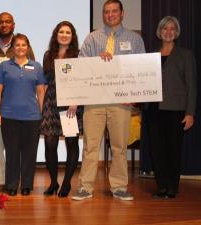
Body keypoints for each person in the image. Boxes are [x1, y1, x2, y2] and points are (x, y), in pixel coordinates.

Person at [72, 0, 145, 201]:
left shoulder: (134, 39)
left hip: (121, 101)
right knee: (90, 145)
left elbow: (141, 68)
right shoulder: (92, 38)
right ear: (103, 15)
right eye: (106, 12)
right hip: (94, 100)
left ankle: (119, 187)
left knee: (119, 146)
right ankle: (85, 187)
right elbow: (81, 66)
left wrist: (135, 96)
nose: (110, 14)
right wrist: (97, 61)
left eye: (114, 11)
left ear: (122, 13)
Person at [0, 12, 35, 190]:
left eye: (7, 22)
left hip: (17, 106)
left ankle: (20, 182)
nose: (4, 24)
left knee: (17, 148)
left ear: (13, 24)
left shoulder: (22, 45)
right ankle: (0, 181)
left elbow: (31, 72)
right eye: (1, 22)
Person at [144, 16, 197, 199]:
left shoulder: (185, 54)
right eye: (165, 28)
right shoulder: (151, 54)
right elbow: (142, 82)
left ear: (177, 32)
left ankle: (172, 187)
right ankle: (162, 187)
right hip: (153, 109)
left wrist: (190, 113)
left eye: (172, 29)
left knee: (173, 150)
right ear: (159, 31)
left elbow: (192, 85)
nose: (168, 32)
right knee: (157, 150)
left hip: (176, 110)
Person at [0, 33, 46, 196]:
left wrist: (42, 112)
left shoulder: (36, 66)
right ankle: (11, 185)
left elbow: (40, 91)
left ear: (28, 47)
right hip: (9, 115)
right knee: (12, 152)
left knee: (30, 153)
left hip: (32, 116)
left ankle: (26, 185)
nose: (21, 48)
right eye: (17, 45)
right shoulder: (4, 66)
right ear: (12, 48)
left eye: (24, 45)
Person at [41, 21, 82, 198]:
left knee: (72, 143)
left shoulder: (79, 55)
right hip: (51, 102)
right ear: (56, 34)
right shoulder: (48, 55)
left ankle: (66, 183)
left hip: (71, 104)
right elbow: (44, 81)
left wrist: (76, 100)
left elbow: (83, 81)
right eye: (61, 32)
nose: (64, 35)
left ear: (72, 36)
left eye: (68, 32)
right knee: (50, 143)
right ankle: (53, 182)